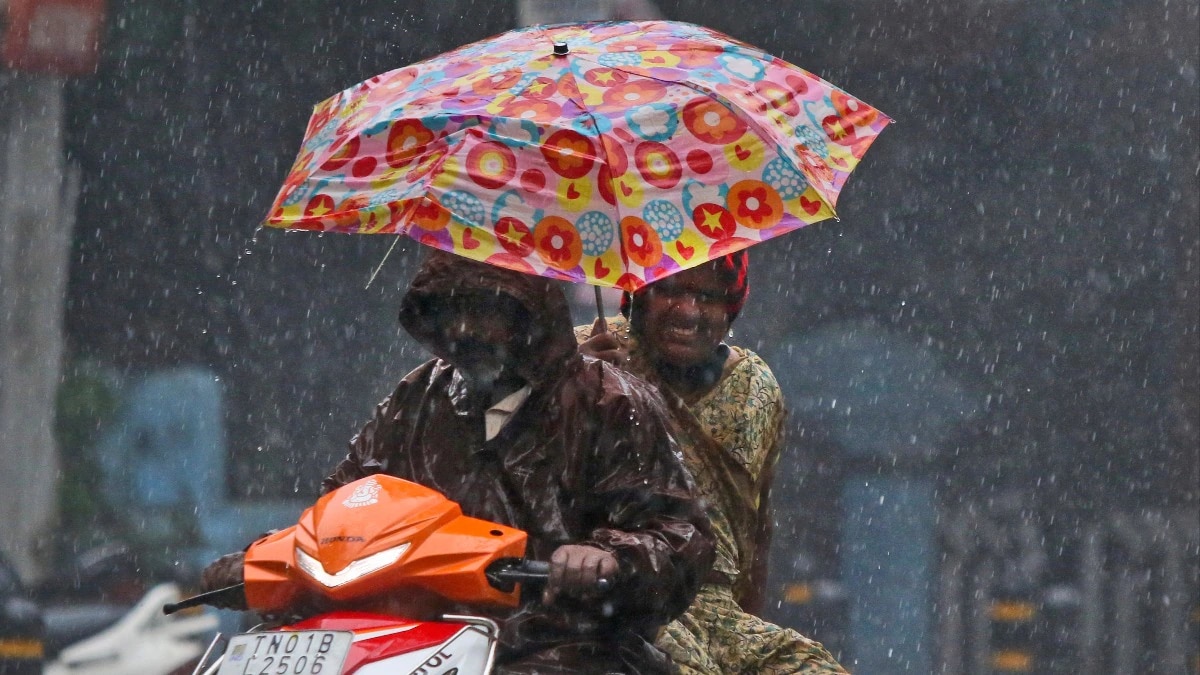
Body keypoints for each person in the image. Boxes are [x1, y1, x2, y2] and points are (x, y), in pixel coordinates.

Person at [201, 250, 713, 674]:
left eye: (485, 309)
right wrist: (268, 558)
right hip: (407, 643)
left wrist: (607, 558)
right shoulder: (418, 396)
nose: (465, 328)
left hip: (558, 647)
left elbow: (677, 536)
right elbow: (343, 509)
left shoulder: (610, 402)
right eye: (449, 310)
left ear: (530, 314)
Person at [577, 252, 848, 674]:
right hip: (620, 598)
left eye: (709, 296)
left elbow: (754, 528)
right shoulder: (585, 355)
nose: (688, 312)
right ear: (638, 297)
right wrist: (574, 387)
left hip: (715, 610)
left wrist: (752, 628)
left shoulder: (754, 388)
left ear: (731, 309)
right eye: (669, 291)